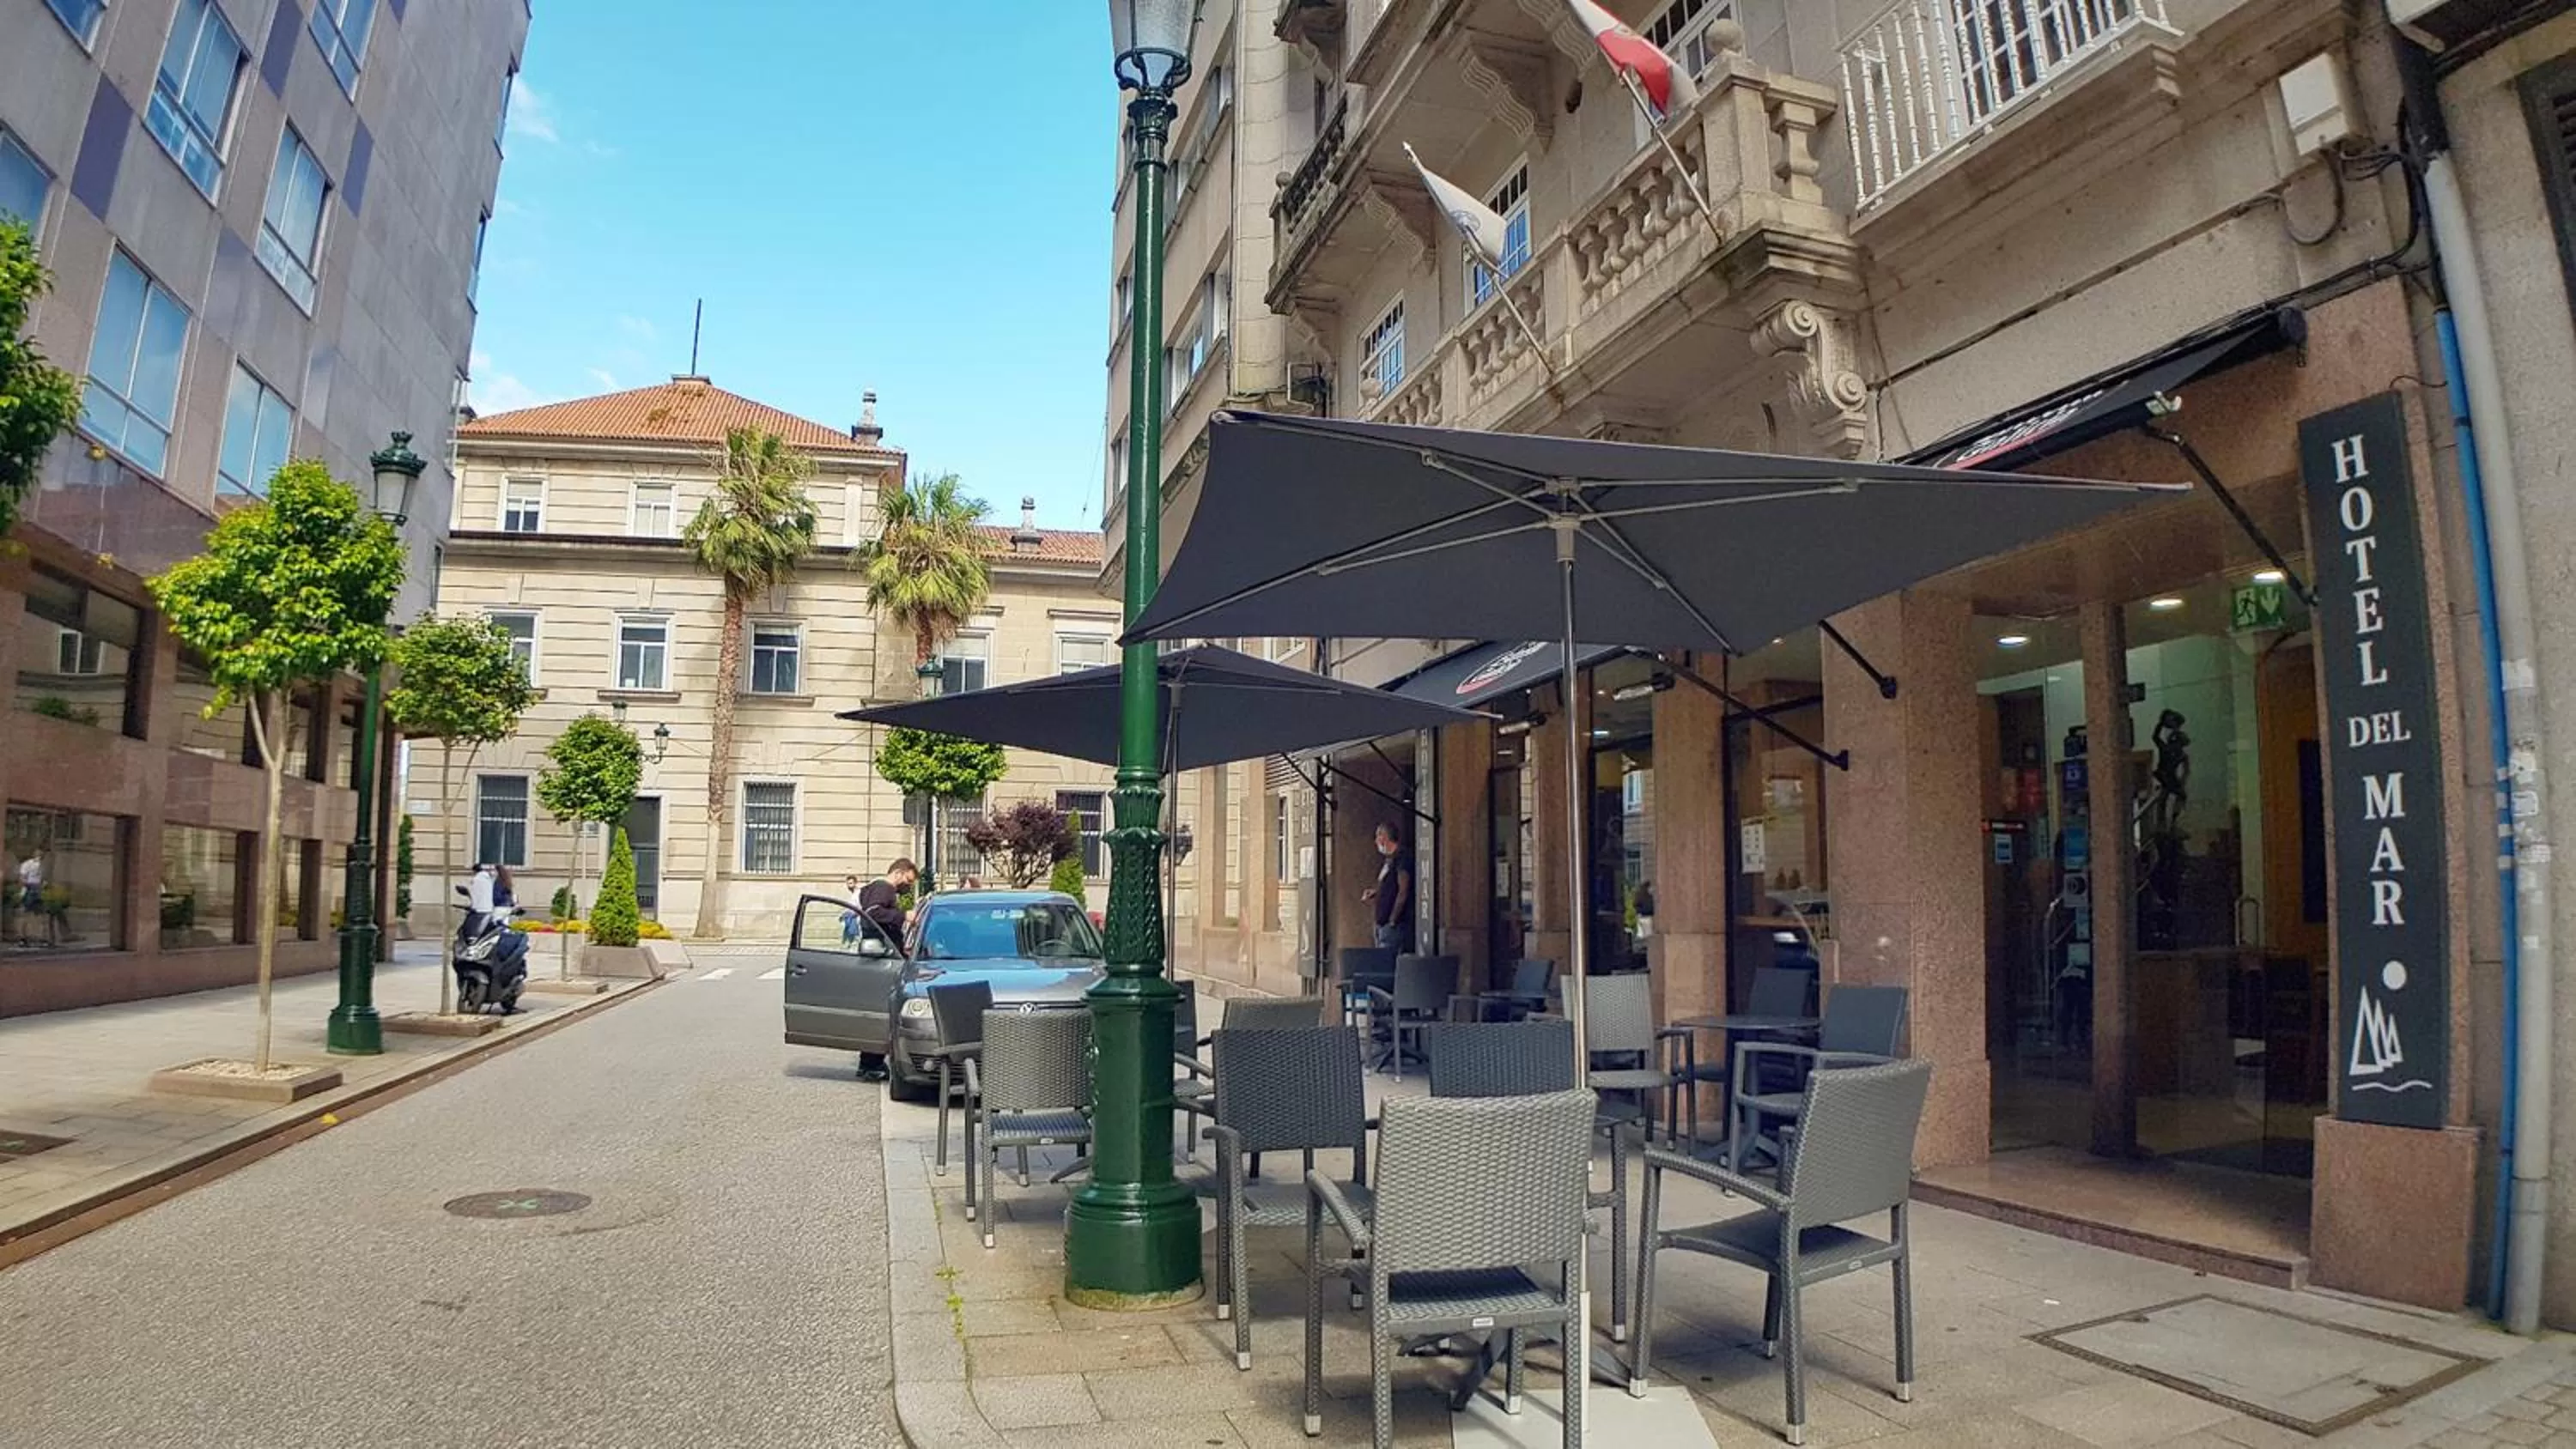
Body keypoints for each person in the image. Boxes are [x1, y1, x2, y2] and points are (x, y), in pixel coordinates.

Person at [1361, 824, 1413, 953]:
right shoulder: (1389, 860)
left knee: (1388, 958)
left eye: (1377, 836)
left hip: (1394, 925)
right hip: (1382, 923)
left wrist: (1393, 920)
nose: (1375, 841)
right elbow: (1388, 885)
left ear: (1384, 837)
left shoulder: (1402, 858)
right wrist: (1375, 893)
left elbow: (1403, 890)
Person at [855, 858, 917, 947]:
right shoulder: (883, 888)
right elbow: (873, 912)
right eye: (908, 880)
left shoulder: (884, 889)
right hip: (880, 948)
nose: (909, 886)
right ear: (897, 873)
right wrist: (904, 915)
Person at [840, 874, 864, 943]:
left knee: (855, 940)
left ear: (855, 883)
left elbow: (860, 907)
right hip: (851, 920)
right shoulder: (853, 894)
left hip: (856, 921)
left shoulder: (858, 893)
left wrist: (852, 914)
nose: (849, 886)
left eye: (851, 883)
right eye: (848, 884)